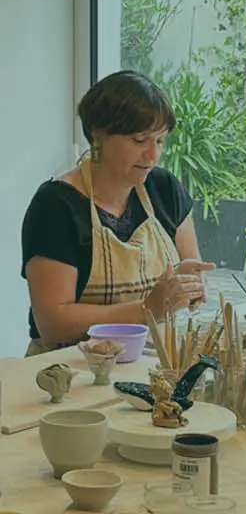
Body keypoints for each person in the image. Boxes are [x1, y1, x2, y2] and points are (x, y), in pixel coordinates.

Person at [21, 71, 214, 354]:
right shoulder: (56, 205)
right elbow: (53, 322)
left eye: (160, 141)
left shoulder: (164, 189)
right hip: (72, 365)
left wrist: (189, 285)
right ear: (98, 135)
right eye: (139, 140)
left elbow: (189, 264)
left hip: (150, 358)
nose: (153, 155)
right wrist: (146, 309)